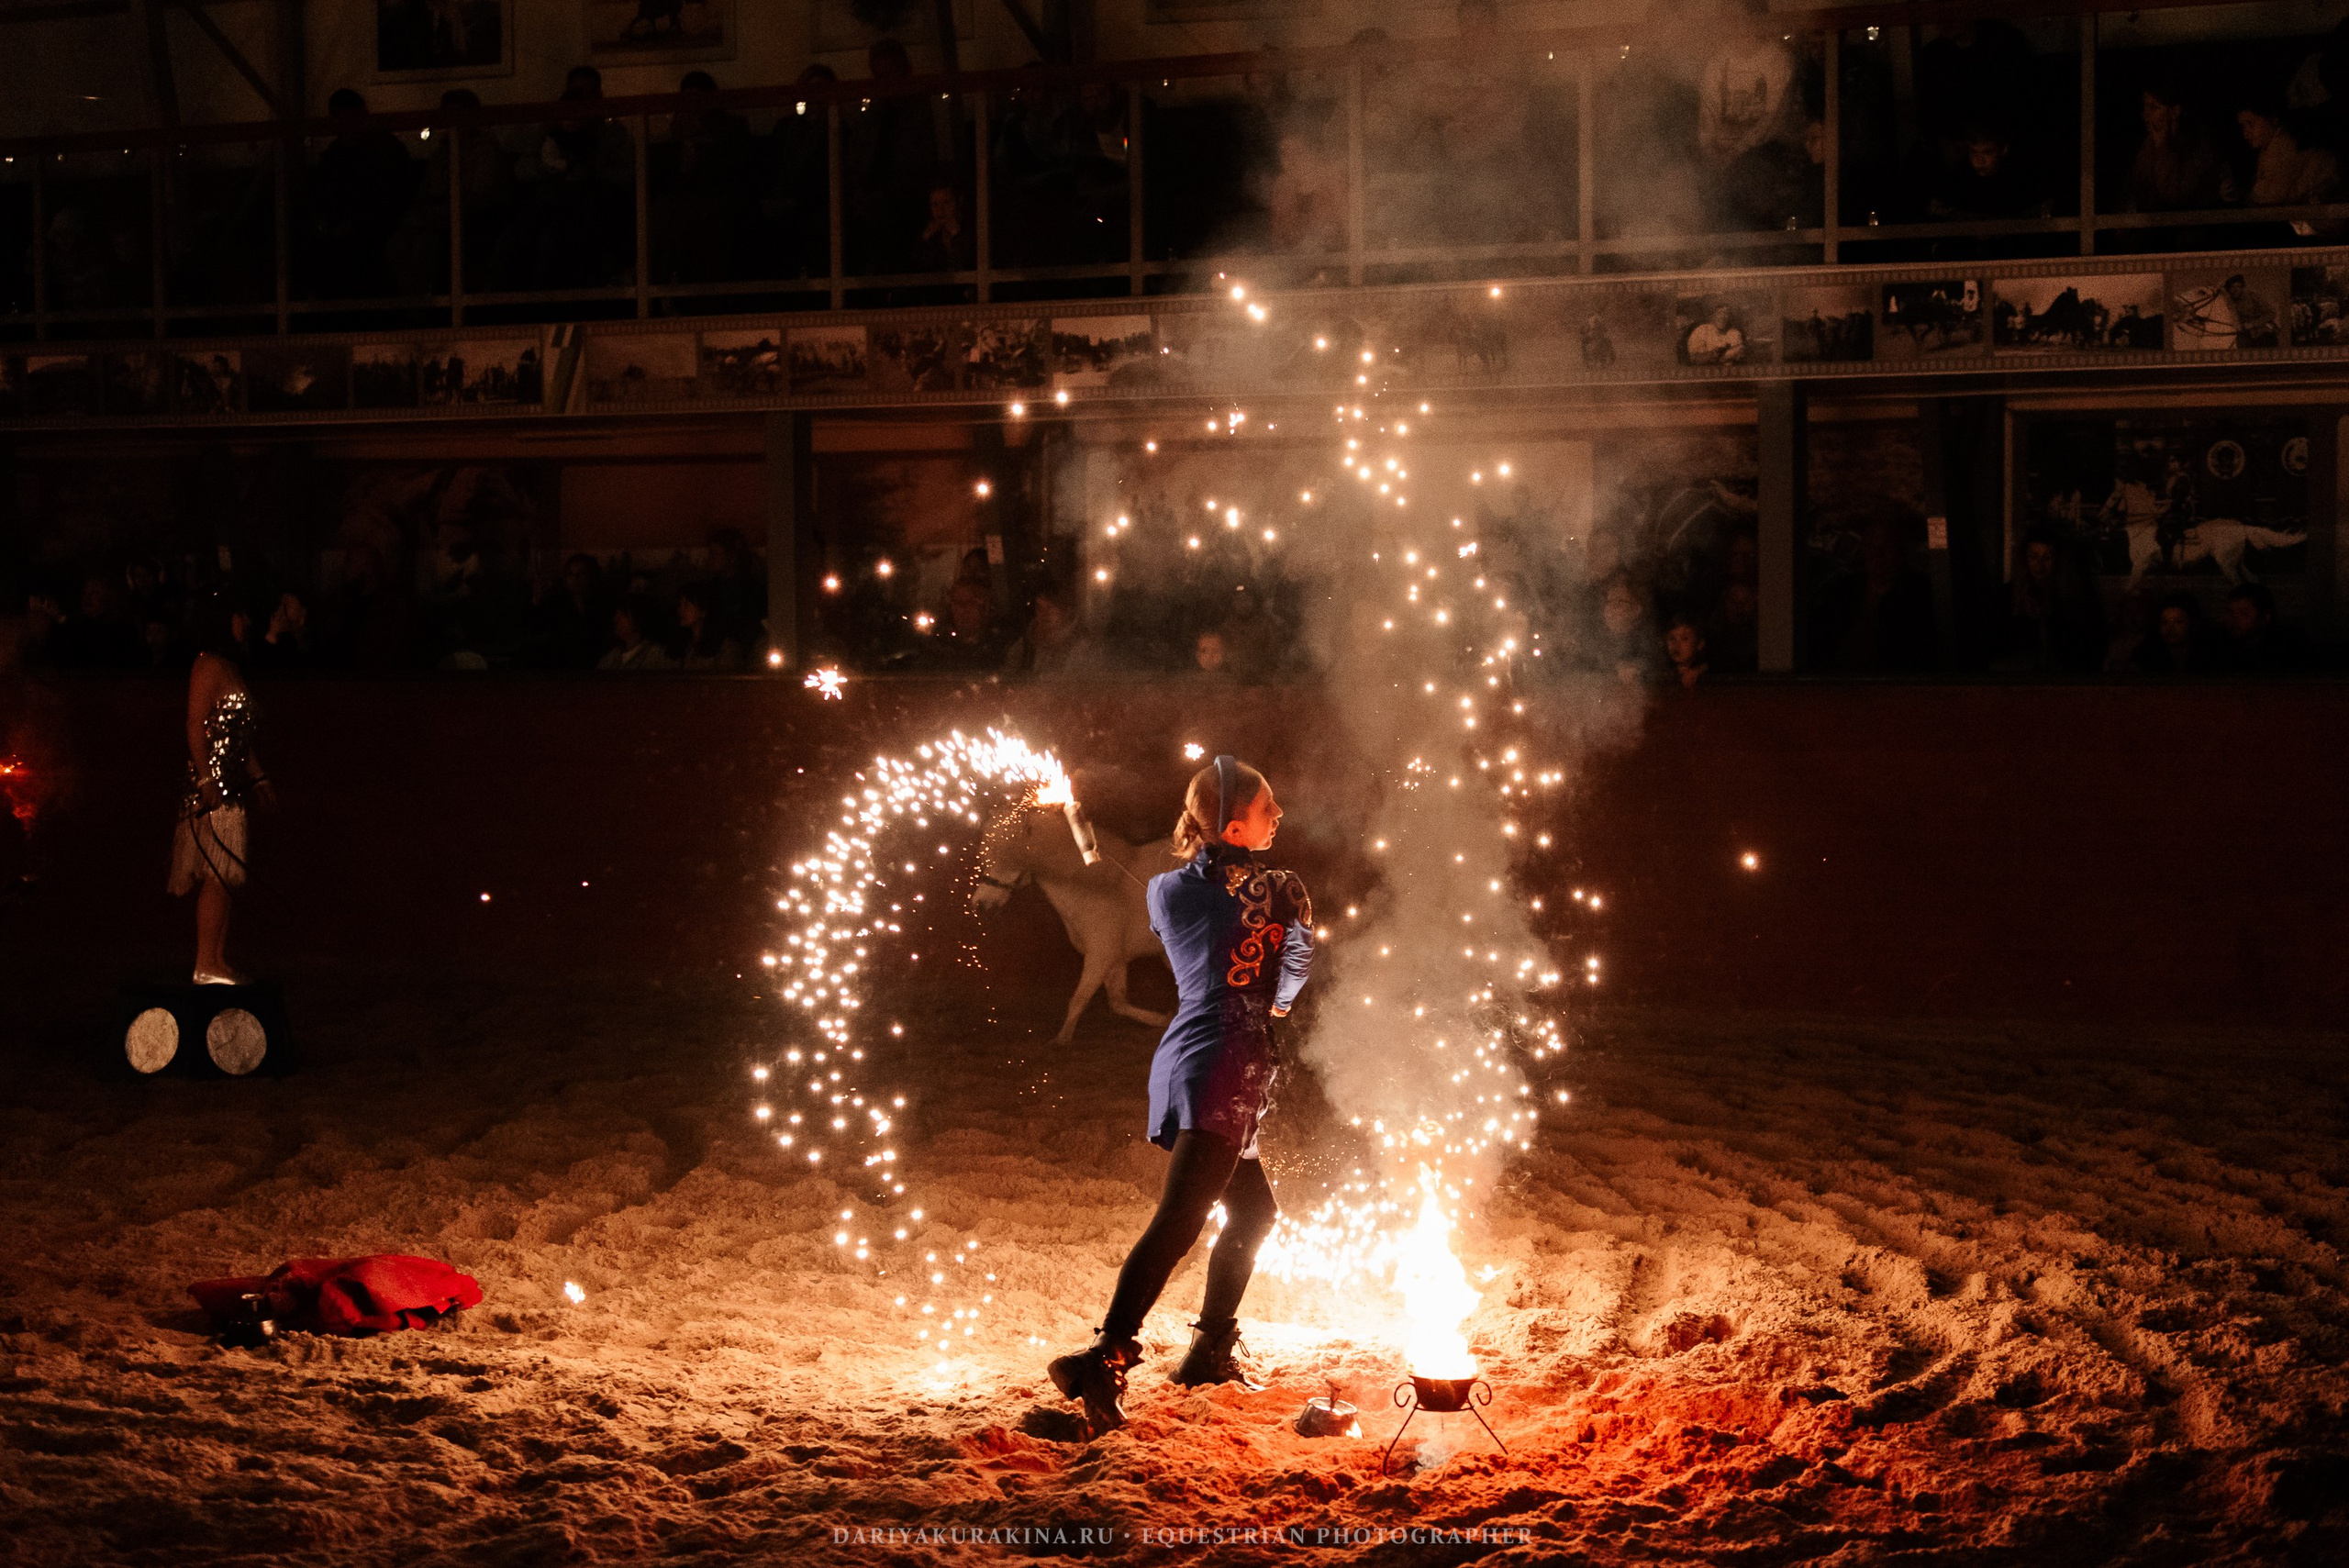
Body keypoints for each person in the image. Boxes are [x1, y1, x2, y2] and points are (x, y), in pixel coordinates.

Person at [1047, 757, 1313, 1430]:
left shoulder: (1165, 889)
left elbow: (1202, 937)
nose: (1278, 815)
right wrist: (1273, 993)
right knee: (1182, 1217)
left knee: (1251, 1213)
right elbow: (1289, 983)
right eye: (1265, 808)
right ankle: (1102, 1356)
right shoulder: (1283, 890)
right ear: (1232, 823)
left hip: (1196, 1055)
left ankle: (1208, 1346)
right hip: (1228, 1062)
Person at [170, 593, 274, 985]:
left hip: (230, 784)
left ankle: (216, 958)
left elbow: (239, 739)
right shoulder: (207, 665)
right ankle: (204, 961)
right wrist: (205, 779)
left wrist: (259, 779)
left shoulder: (230, 666)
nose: (245, 621)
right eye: (239, 614)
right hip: (211, 787)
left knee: (227, 875)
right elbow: (195, 724)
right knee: (217, 874)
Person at [1999, 527, 2106, 673]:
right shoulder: (2009, 596)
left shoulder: (2073, 597)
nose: (2039, 564)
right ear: (2024, 558)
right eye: (2033, 556)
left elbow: (2087, 646)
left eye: (2047, 558)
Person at [2127, 81, 2225, 214]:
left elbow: (2172, 197)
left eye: (2153, 107)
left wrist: (2162, 147)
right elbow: (2138, 188)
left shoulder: (2198, 146)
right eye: (2145, 107)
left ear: (2174, 112)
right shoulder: (2148, 145)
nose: (2145, 115)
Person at [2211, 582, 2299, 673]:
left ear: (2265, 617)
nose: (2234, 618)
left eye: (2243, 613)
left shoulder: (2287, 647)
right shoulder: (2217, 645)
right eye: (2230, 612)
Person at [2131, 592, 2208, 674]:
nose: (2170, 629)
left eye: (2178, 622)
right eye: (2165, 622)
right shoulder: (2148, 654)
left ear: (2194, 624)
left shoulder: (2207, 654)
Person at [674, 582, 745, 670]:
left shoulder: (726, 648)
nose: (680, 610)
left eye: (687, 605)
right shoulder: (686, 645)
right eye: (680, 605)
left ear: (703, 611)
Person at [598, 596, 674, 671]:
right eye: (616, 615)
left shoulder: (657, 656)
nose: (615, 619)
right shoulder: (610, 659)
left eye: (623, 615)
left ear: (637, 620)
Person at [1683, 304, 1747, 365]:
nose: (1722, 317)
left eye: (1726, 313)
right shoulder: (1702, 330)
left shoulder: (1735, 333)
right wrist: (1726, 355)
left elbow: (1739, 354)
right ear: (1713, 315)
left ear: (1729, 317)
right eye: (1719, 313)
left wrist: (1718, 357)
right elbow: (1694, 358)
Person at [1664, 614, 1709, 687]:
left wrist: (1699, 670)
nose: (1676, 645)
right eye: (1672, 639)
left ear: (1699, 644)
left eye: (1684, 639)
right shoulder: (1661, 670)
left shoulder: (1707, 672)